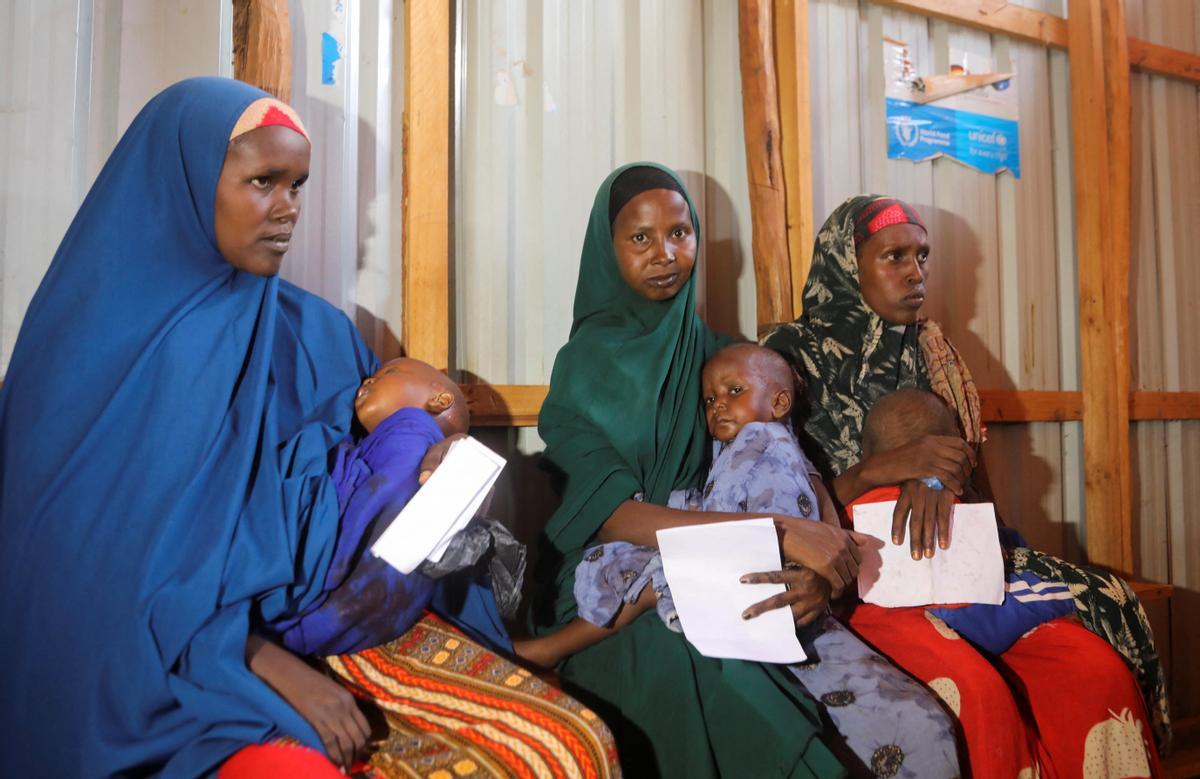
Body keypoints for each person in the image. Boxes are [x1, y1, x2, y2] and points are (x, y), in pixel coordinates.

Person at [0, 78, 615, 779]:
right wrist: (268, 665)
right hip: (165, 669)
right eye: (265, 181)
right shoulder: (89, 351)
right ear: (188, 180)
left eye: (299, 185)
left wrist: (434, 465)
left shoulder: (313, 331)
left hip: (336, 625)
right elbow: (83, 580)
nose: (288, 209)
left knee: (570, 742)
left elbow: (374, 494)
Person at [531, 161, 917, 778]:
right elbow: (610, 517)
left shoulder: (724, 360)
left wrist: (823, 574)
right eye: (640, 238)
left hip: (728, 558)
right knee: (719, 680)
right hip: (606, 582)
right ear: (606, 253)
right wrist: (780, 532)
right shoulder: (583, 366)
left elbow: (797, 467)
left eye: (680, 234)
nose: (665, 254)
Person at [763, 195, 1167, 777]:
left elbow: (979, 496)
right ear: (847, 264)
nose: (915, 272)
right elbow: (781, 501)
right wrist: (882, 469)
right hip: (855, 578)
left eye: (923, 256)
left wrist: (938, 474)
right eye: (894, 256)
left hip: (956, 564)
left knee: (1095, 670)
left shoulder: (935, 353)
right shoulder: (788, 360)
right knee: (974, 690)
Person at [524, 342, 959, 777]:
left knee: (654, 581)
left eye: (734, 391)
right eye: (710, 400)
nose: (718, 407)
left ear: (780, 402)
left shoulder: (758, 438)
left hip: (761, 575)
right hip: (755, 572)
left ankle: (555, 646)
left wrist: (812, 559)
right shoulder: (745, 437)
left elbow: (784, 512)